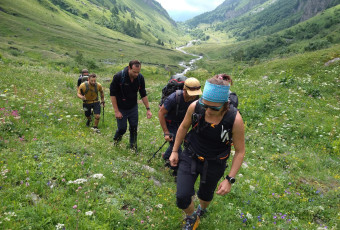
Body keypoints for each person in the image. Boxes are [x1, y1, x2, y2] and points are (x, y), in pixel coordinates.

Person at [169, 74, 245, 230]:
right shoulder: (195, 107)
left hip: (215, 162)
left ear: (225, 104)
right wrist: (175, 151)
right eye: (205, 105)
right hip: (190, 155)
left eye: (214, 107)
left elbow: (240, 151)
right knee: (182, 197)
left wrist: (229, 179)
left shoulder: (235, 119)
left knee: (205, 196)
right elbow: (183, 127)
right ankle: (192, 217)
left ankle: (201, 210)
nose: (208, 110)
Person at [158, 77, 202, 175]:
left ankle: (166, 156)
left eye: (195, 95)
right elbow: (161, 113)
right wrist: (166, 132)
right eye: (191, 94)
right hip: (170, 122)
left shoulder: (196, 98)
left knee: (176, 142)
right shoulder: (173, 98)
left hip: (182, 123)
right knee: (177, 148)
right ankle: (174, 169)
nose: (193, 97)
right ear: (184, 90)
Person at [110, 60, 152, 151]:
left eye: (138, 72)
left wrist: (148, 109)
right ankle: (116, 141)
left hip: (133, 106)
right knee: (122, 129)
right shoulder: (118, 77)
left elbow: (143, 94)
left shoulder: (140, 78)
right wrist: (116, 111)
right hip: (121, 107)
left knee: (133, 128)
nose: (136, 74)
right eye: (134, 72)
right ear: (129, 68)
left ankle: (133, 147)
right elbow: (112, 94)